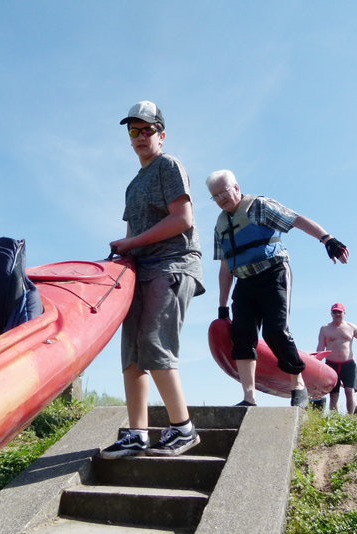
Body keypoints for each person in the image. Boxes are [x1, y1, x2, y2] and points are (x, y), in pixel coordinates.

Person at [100, 101, 205, 459]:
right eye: (134, 130)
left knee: (154, 343)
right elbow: (133, 231)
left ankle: (183, 429)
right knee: (132, 352)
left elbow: (182, 219)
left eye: (148, 130)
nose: (141, 136)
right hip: (141, 271)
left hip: (173, 264)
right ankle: (136, 433)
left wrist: (131, 243)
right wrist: (121, 259)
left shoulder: (168, 165)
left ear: (161, 134)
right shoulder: (133, 186)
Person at [206, 169, 348, 408]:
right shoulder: (220, 227)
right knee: (242, 337)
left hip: (273, 273)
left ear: (237, 188)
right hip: (245, 281)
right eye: (215, 195)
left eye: (224, 191)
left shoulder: (258, 207)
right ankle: (249, 397)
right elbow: (225, 267)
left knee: (275, 331)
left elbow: (296, 219)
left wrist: (327, 239)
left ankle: (298, 385)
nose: (221, 198)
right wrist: (222, 305)